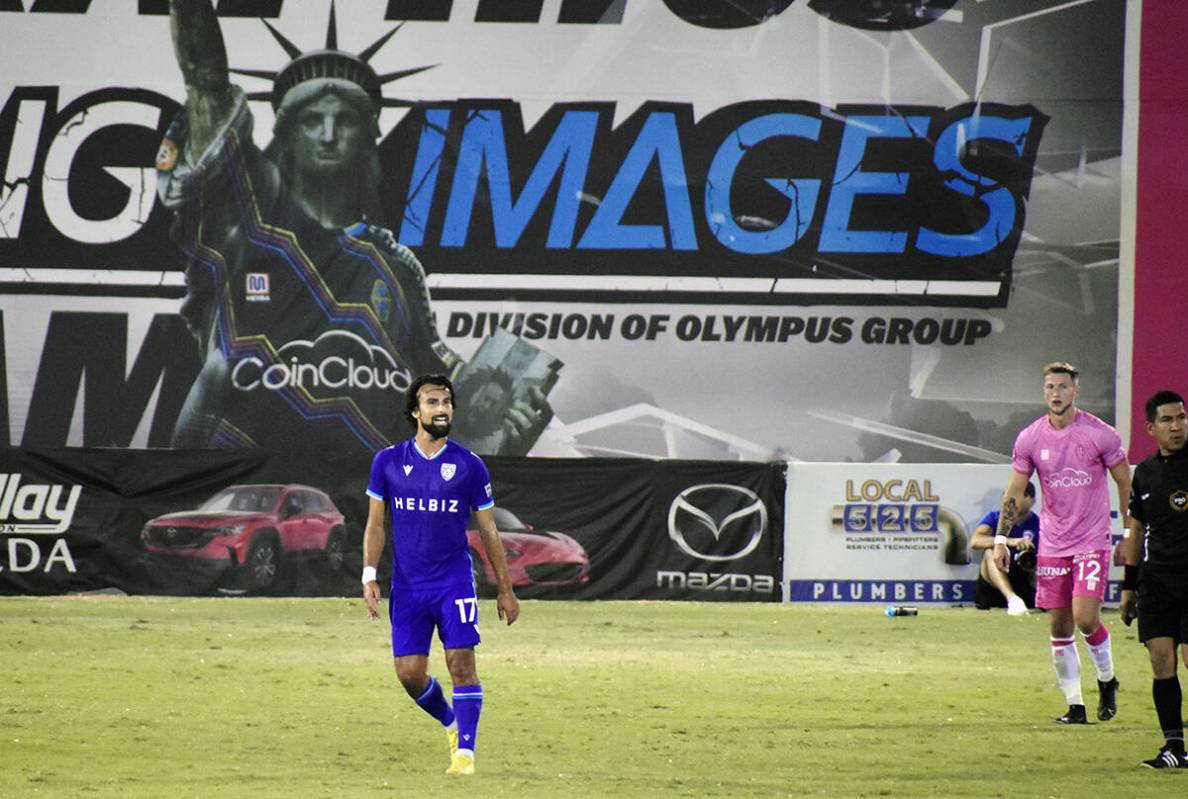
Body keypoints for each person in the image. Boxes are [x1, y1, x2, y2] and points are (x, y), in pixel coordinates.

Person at [157, 0, 547, 454]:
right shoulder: (247, 217)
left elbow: (438, 380)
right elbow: (206, 83)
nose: (327, 134)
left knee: (500, 522)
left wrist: (501, 424)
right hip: (238, 466)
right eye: (311, 121)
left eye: (344, 121)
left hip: (361, 487)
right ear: (285, 136)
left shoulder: (397, 266)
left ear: (368, 142)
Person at [361, 374, 519, 776]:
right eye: (432, 402)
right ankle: (452, 724)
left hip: (453, 582)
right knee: (409, 674)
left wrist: (505, 589)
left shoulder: (469, 466)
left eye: (447, 402)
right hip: (409, 586)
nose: (442, 409)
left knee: (461, 664)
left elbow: (488, 530)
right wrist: (369, 574)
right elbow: (376, 525)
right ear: (416, 411)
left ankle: (465, 754)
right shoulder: (388, 462)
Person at [993, 361, 1130, 724]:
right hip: (1053, 543)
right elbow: (1014, 491)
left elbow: (1124, 482)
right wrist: (1000, 539)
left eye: (1063, 387)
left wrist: (1129, 532)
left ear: (1075, 392)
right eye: (1050, 387)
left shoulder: (1100, 434)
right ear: (1045, 392)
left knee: (1086, 619)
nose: (1056, 394)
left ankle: (1107, 679)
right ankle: (1075, 706)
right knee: (1059, 626)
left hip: (1091, 540)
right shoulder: (1030, 438)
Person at [1120, 390, 1188, 768]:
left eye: (1181, 417)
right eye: (1167, 420)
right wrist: (1129, 587)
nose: (1177, 426)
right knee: (1162, 663)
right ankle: (1174, 748)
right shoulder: (1144, 472)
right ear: (1151, 427)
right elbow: (1136, 529)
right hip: (1157, 581)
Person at [970, 481, 1039, 615]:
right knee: (990, 552)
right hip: (993, 580)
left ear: (1031, 500)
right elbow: (975, 541)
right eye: (1007, 497)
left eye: (1016, 496)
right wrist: (1007, 541)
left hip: (1023, 579)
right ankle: (1012, 599)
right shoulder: (994, 518)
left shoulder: (1040, 524)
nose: (1010, 502)